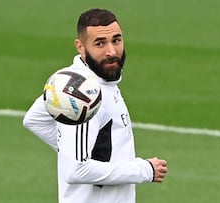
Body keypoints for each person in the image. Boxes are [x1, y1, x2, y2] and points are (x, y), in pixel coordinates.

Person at [23, 8, 168, 203]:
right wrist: (144, 170)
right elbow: (77, 170)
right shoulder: (83, 94)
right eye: (100, 43)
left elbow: (34, 120)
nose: (111, 51)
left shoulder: (67, 80)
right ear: (80, 47)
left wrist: (73, 152)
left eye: (116, 40)